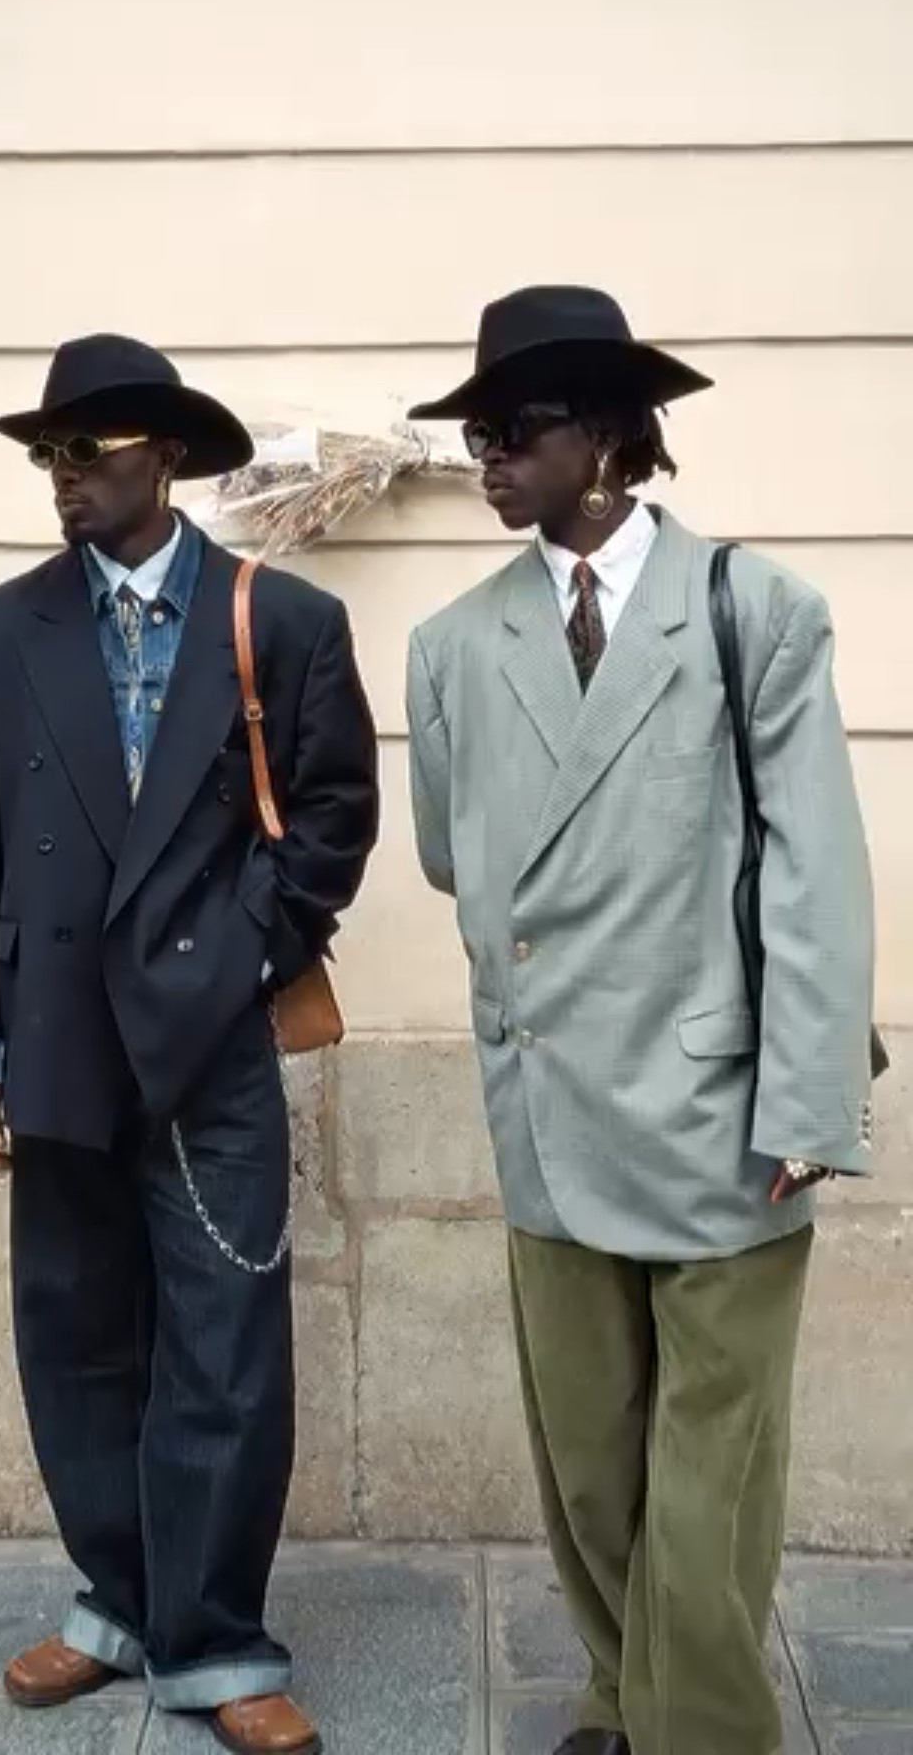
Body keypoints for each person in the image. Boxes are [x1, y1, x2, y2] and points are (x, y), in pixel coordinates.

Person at [405, 286, 876, 1755]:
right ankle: (623, 1688)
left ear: (608, 436)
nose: (486, 457)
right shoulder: (448, 645)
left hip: (726, 1112)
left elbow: (817, 871)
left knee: (708, 1472)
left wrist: (808, 1099)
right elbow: (448, 852)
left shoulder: (755, 609)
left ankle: (703, 1730)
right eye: (475, 432)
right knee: (593, 1466)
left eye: (515, 430)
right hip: (552, 1105)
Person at [0, 333, 379, 1755]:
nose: (62, 476)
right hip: (59, 1039)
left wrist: (251, 952)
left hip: (212, 1052)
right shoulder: (3, 627)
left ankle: (217, 1643)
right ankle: (117, 1605)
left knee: (226, 1347)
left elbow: (333, 817)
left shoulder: (284, 619)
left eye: (91, 451)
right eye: (48, 454)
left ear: (171, 459)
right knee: (74, 1342)